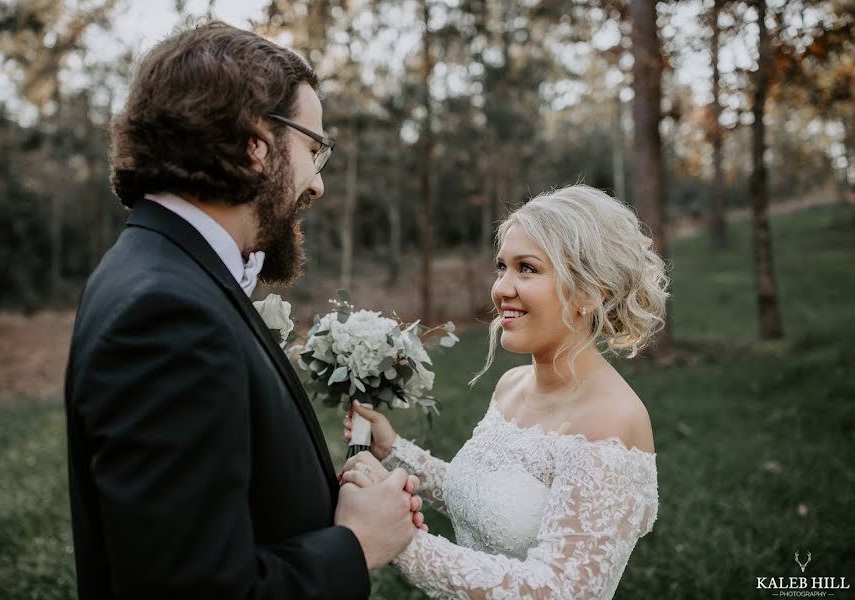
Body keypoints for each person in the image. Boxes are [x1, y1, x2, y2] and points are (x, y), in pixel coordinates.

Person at [64, 22, 425, 600]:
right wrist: (354, 544)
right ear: (255, 144)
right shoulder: (166, 313)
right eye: (314, 148)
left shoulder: (162, 269)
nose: (318, 185)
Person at [342, 185, 669, 599]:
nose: (501, 289)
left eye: (527, 269)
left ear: (590, 291)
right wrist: (395, 453)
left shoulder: (612, 421)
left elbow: (557, 591)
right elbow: (488, 498)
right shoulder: (511, 386)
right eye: (502, 267)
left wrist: (400, 541)